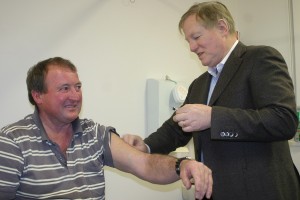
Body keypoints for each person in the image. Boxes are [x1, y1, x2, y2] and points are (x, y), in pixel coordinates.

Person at [123, 1, 300, 200]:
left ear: (222, 27)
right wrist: (145, 147)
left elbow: (284, 120)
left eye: (196, 37)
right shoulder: (198, 85)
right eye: (188, 40)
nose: (191, 47)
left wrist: (213, 117)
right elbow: (176, 128)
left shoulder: (259, 58)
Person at [0, 57, 213, 200]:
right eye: (64, 89)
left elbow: (145, 164)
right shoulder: (12, 142)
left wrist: (182, 166)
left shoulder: (94, 134)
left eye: (78, 87)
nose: (75, 96)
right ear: (38, 96)